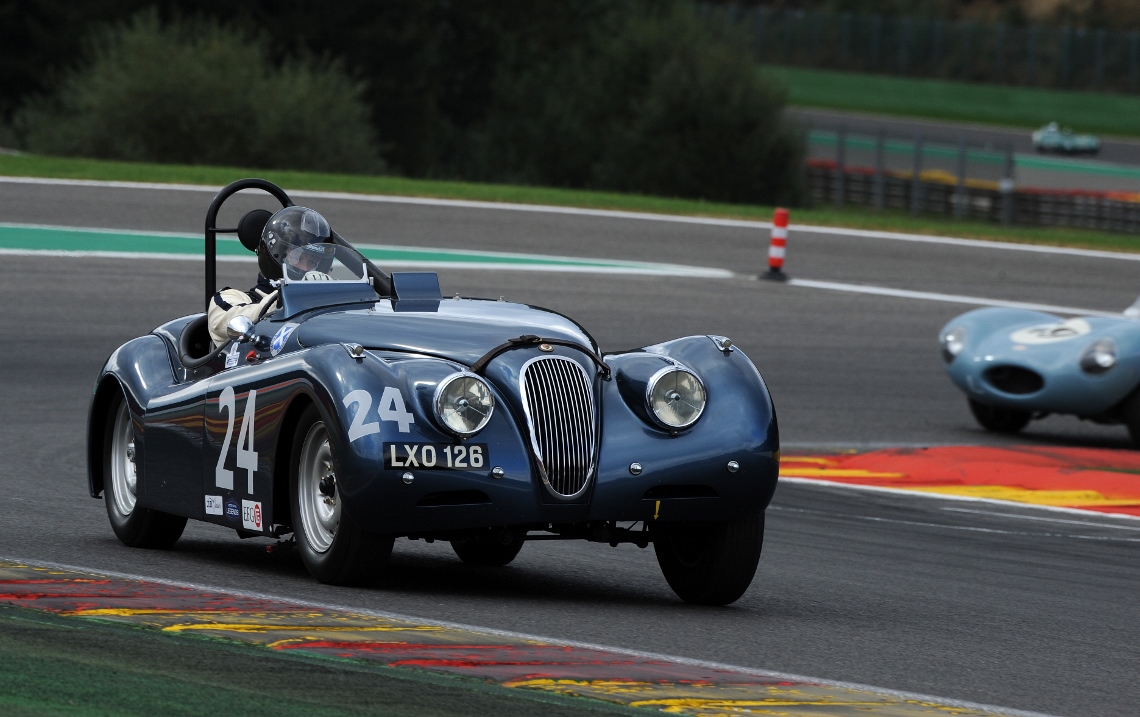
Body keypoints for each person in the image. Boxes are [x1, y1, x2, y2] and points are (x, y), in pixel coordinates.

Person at [207, 206, 333, 346]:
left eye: (312, 261)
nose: (306, 269)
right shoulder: (227, 298)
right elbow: (228, 321)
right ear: (276, 254)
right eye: (297, 257)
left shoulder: (325, 302)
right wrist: (290, 295)